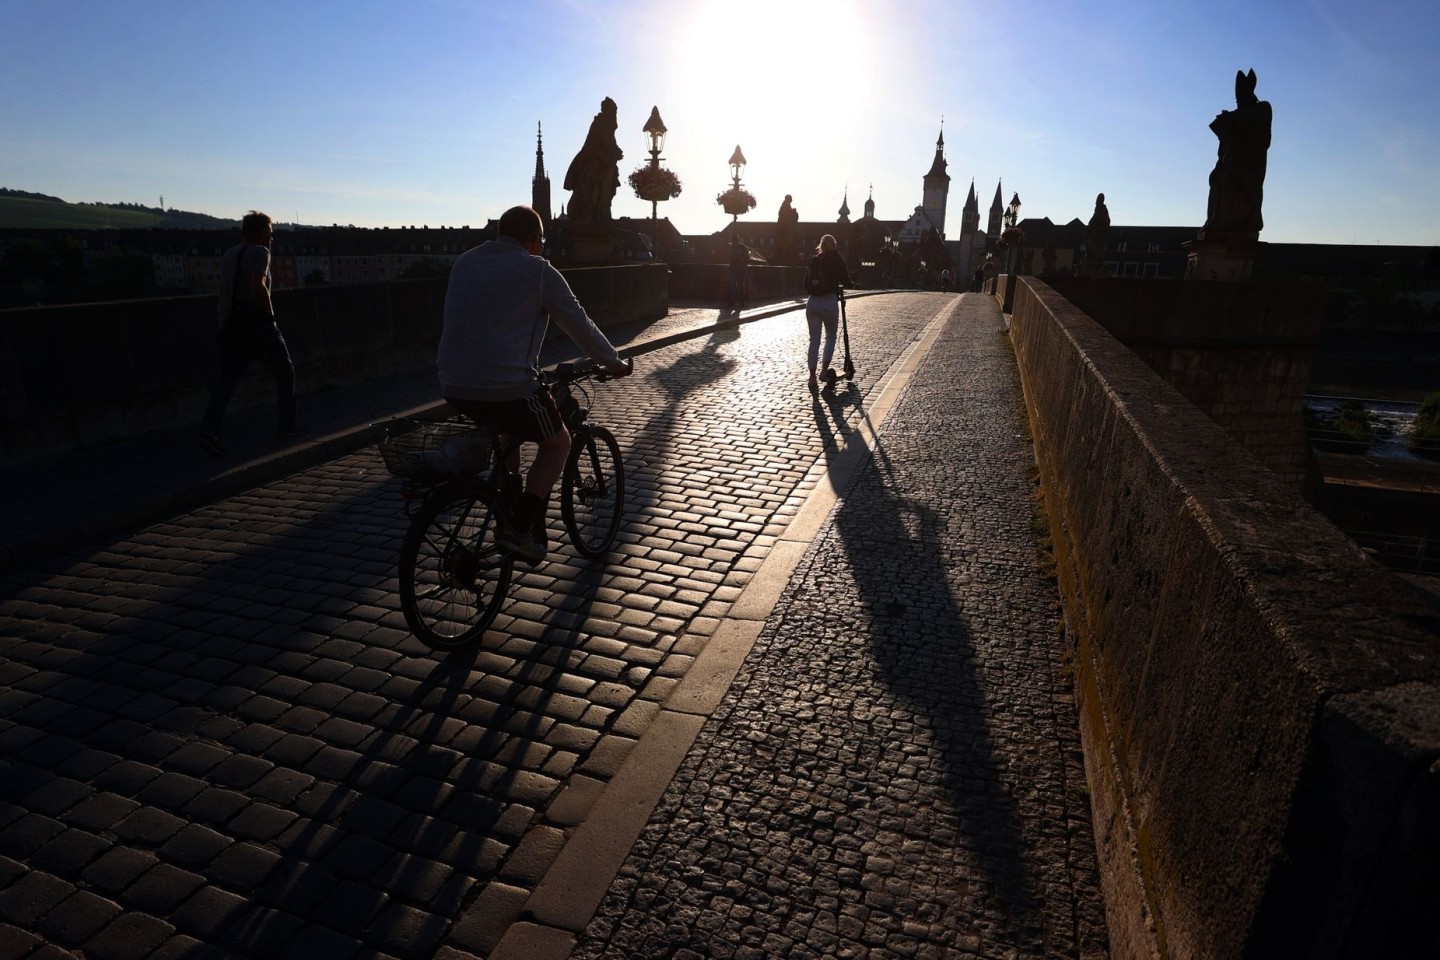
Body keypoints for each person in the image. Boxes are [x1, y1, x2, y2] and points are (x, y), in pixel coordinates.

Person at [438, 205, 632, 562]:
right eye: (540, 242)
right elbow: (579, 323)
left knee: (508, 436)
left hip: (452, 382)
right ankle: (521, 527)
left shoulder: (465, 261)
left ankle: (504, 510)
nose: (541, 248)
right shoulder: (537, 270)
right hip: (506, 385)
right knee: (558, 442)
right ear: (532, 240)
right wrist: (613, 362)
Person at [199, 211, 304, 456]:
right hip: (257, 326)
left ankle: (209, 430)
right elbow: (257, 286)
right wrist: (270, 318)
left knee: (226, 381)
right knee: (285, 371)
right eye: (270, 232)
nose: (271, 238)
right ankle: (286, 426)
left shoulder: (229, 254)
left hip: (230, 327)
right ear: (262, 232)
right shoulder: (260, 252)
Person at [803, 234, 854, 394]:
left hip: (812, 302)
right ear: (834, 245)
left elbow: (805, 283)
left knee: (814, 341)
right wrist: (852, 284)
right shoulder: (837, 259)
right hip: (828, 301)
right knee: (830, 337)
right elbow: (846, 281)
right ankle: (823, 372)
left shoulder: (813, 260)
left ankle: (811, 377)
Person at [726, 237, 749, 312]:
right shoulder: (731, 247)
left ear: (738, 240)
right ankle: (731, 302)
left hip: (741, 268)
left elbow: (747, 258)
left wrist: (740, 260)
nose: (734, 242)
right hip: (733, 268)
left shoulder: (743, 247)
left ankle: (742, 302)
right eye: (733, 241)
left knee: (740, 285)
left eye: (735, 240)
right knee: (732, 285)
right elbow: (729, 257)